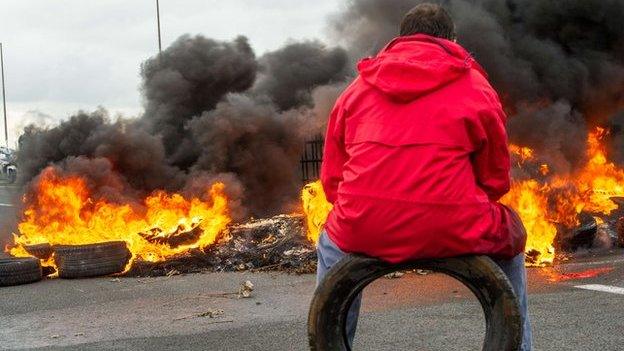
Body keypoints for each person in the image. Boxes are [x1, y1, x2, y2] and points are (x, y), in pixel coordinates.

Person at [317, 3, 532, 350]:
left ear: (398, 40)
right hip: (453, 223)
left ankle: (330, 342)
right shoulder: (476, 86)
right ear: (452, 40)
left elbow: (332, 181)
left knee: (330, 246)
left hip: (364, 224)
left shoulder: (355, 90)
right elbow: (495, 181)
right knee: (513, 240)